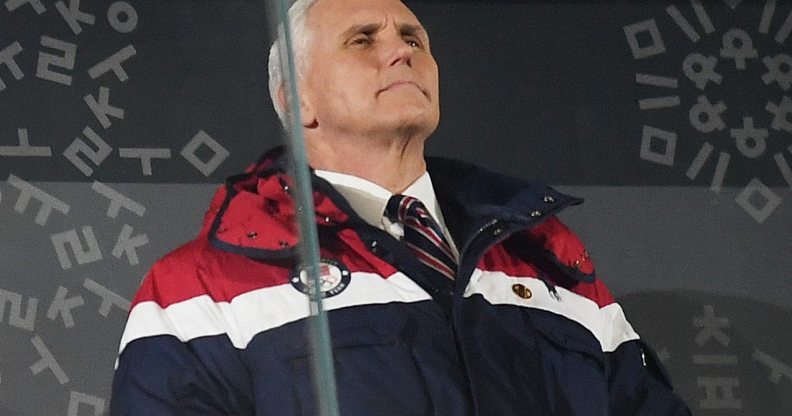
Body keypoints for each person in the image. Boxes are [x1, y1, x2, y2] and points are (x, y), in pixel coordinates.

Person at [110, 0, 691, 414]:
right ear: (297, 98)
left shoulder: (548, 255)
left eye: (413, 39)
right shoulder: (198, 290)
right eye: (363, 39)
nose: (401, 53)